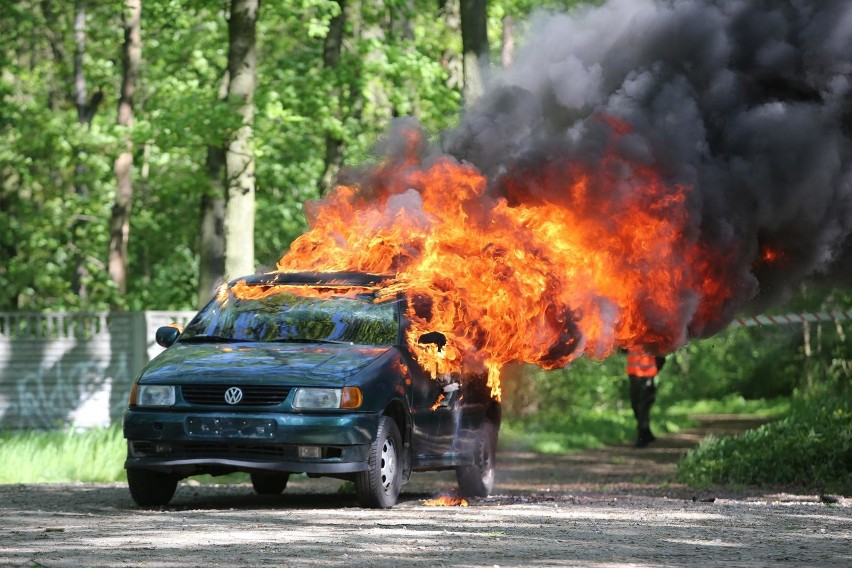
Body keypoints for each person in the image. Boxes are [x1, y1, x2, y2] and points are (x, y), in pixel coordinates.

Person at [626, 347, 666, 448]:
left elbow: (661, 358)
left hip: (647, 379)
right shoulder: (630, 339)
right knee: (635, 407)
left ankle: (642, 438)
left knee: (643, 409)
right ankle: (647, 434)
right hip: (634, 378)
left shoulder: (651, 339)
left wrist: (653, 372)